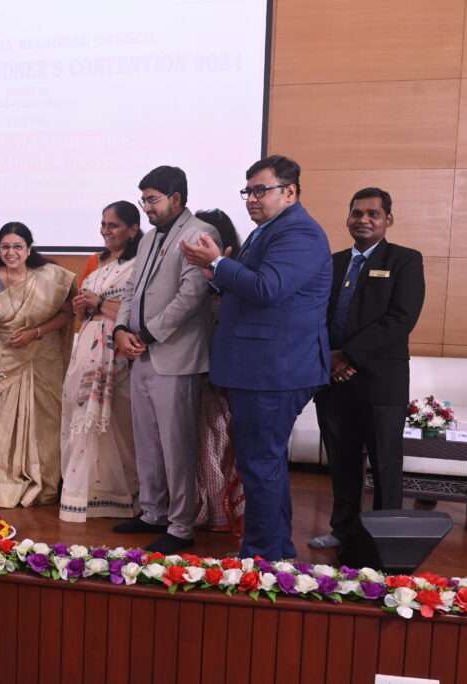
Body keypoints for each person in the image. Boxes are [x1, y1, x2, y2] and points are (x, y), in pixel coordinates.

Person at [182, 154, 332, 561]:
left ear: (290, 191)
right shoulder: (270, 231)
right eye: (247, 191)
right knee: (261, 464)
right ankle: (273, 549)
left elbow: (268, 288)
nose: (250, 199)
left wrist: (217, 262)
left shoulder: (299, 233)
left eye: (259, 190)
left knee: (260, 463)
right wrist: (217, 277)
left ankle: (264, 556)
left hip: (276, 368)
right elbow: (250, 290)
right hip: (260, 365)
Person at [111, 166, 220, 553]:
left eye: (153, 200)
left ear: (177, 198)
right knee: (147, 442)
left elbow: (191, 297)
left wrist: (148, 333)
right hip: (139, 354)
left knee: (177, 446)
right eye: (144, 199)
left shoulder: (200, 233)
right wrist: (120, 331)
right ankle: (152, 512)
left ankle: (180, 525)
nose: (147, 208)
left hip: (175, 356)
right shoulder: (147, 239)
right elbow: (130, 291)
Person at [310, 187, 425, 549]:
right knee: (342, 463)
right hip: (333, 380)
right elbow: (314, 314)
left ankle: (385, 539)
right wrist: (328, 356)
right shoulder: (333, 262)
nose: (363, 220)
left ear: (388, 220)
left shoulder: (405, 260)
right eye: (357, 213)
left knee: (385, 465)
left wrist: (349, 356)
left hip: (380, 383)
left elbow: (400, 318)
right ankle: (342, 529)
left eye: (373, 214)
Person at [0, 222, 76, 508]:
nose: (11, 252)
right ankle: (7, 482)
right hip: (5, 359)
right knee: (1, 421)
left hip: (44, 359)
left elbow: (67, 315)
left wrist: (34, 333)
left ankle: (45, 485)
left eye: (17, 246)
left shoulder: (49, 277)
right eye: (5, 247)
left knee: (46, 424)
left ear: (29, 249)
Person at [59, 201, 141, 523]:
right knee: (80, 417)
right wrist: (83, 306)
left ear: (133, 229)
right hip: (88, 347)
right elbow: (84, 313)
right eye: (103, 224)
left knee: (114, 423)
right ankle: (81, 494)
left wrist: (101, 302)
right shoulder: (100, 263)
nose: (106, 231)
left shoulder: (138, 266)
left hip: (116, 351)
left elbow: (135, 312)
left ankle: (117, 496)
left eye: (114, 225)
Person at [192, 209, 245, 535]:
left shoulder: (235, 277)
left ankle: (223, 512)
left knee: (220, 443)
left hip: (227, 374)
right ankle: (204, 509)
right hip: (194, 370)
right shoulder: (191, 274)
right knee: (200, 444)